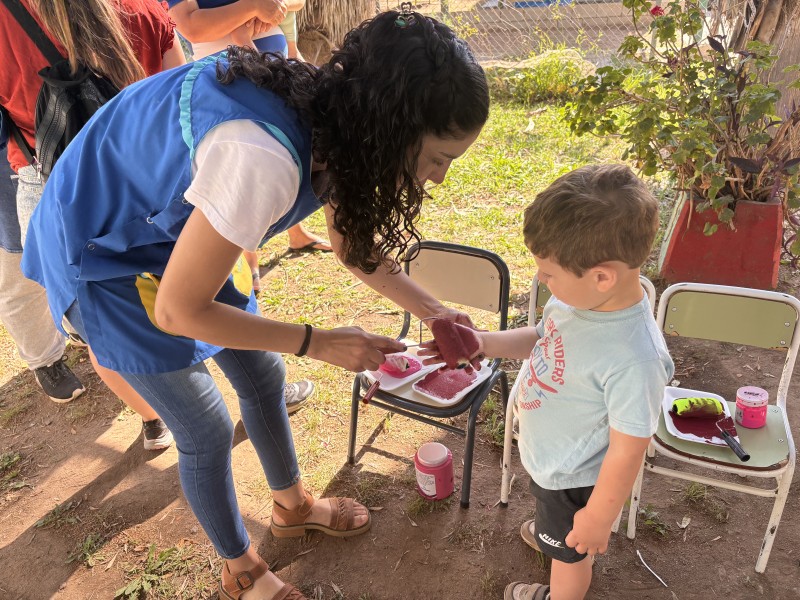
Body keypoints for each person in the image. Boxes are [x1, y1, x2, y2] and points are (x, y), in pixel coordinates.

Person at [22, 9, 489, 599]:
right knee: (205, 427)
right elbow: (176, 312)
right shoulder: (261, 155)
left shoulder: (341, 124)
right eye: (438, 159)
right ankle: (241, 566)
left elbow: (352, 248)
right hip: (99, 248)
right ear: (389, 128)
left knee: (262, 373)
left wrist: (434, 310)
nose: (440, 179)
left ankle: (292, 506)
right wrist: (318, 342)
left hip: (169, 235)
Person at [422, 165, 675, 600]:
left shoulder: (635, 359)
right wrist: (481, 342)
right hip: (552, 460)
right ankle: (551, 528)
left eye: (549, 272)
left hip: (576, 478)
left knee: (570, 558)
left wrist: (596, 516)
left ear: (602, 276)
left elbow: (629, 447)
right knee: (556, 525)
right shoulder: (578, 301)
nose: (542, 279)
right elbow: (542, 338)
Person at [0, 0, 185, 447]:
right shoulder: (142, 6)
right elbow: (179, 97)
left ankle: (155, 417)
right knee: (197, 292)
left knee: (103, 328)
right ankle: (248, 389)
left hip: (55, 194)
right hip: (152, 179)